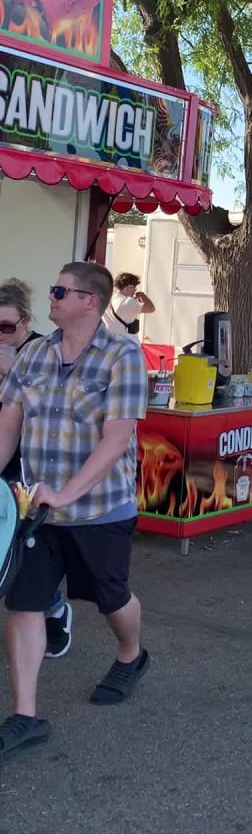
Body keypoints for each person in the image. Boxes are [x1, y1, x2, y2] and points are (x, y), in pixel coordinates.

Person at [0, 262, 149, 759]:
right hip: (36, 511)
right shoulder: (33, 355)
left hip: (100, 509)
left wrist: (66, 494)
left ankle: (130, 655)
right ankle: (25, 716)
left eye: (60, 290)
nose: (52, 296)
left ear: (91, 301)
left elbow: (117, 439)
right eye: (52, 288)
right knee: (24, 601)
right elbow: (8, 426)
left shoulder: (123, 355)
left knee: (111, 598)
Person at [0, 278, 73, 659]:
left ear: (26, 321)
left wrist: (12, 375)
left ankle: (54, 609)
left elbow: (54, 411)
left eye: (6, 327)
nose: (1, 335)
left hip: (27, 467)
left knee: (22, 555)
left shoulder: (42, 353)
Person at [102, 272, 155, 336]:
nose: (135, 290)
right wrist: (143, 296)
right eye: (133, 287)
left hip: (108, 339)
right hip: (124, 342)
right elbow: (151, 308)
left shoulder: (110, 298)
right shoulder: (127, 302)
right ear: (127, 287)